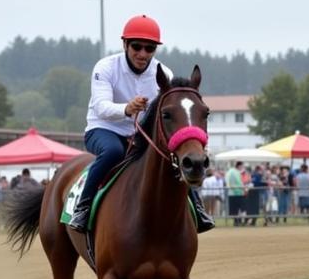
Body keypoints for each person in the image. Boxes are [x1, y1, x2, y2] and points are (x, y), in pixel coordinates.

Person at [69, 14, 213, 234]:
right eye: (137, 46)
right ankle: (83, 206)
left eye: (150, 48)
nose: (143, 53)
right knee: (112, 152)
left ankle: (198, 209)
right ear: (125, 44)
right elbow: (101, 107)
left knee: (173, 158)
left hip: (141, 134)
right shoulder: (105, 67)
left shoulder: (164, 73)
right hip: (104, 129)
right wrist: (127, 108)